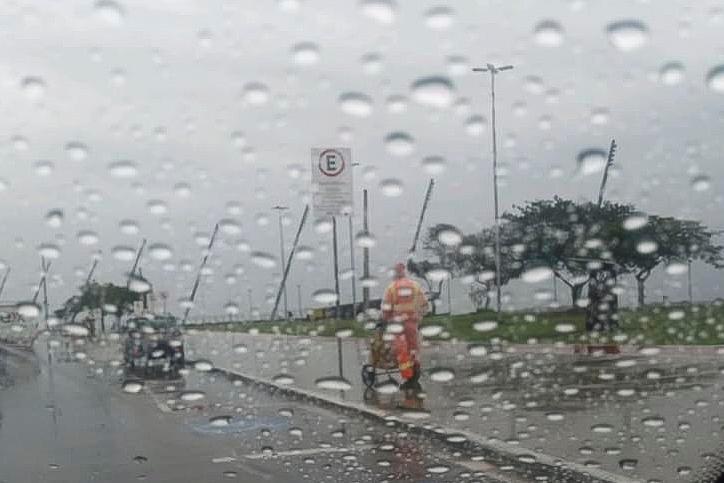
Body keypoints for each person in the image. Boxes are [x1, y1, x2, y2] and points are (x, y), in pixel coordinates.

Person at [382, 262, 428, 388]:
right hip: (412, 323)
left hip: (397, 325)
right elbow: (424, 304)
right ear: (405, 271)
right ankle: (416, 371)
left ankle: (408, 377)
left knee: (401, 350)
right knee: (414, 348)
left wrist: (385, 319)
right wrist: (419, 317)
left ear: (396, 273)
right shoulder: (415, 285)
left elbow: (386, 308)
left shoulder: (392, 288)